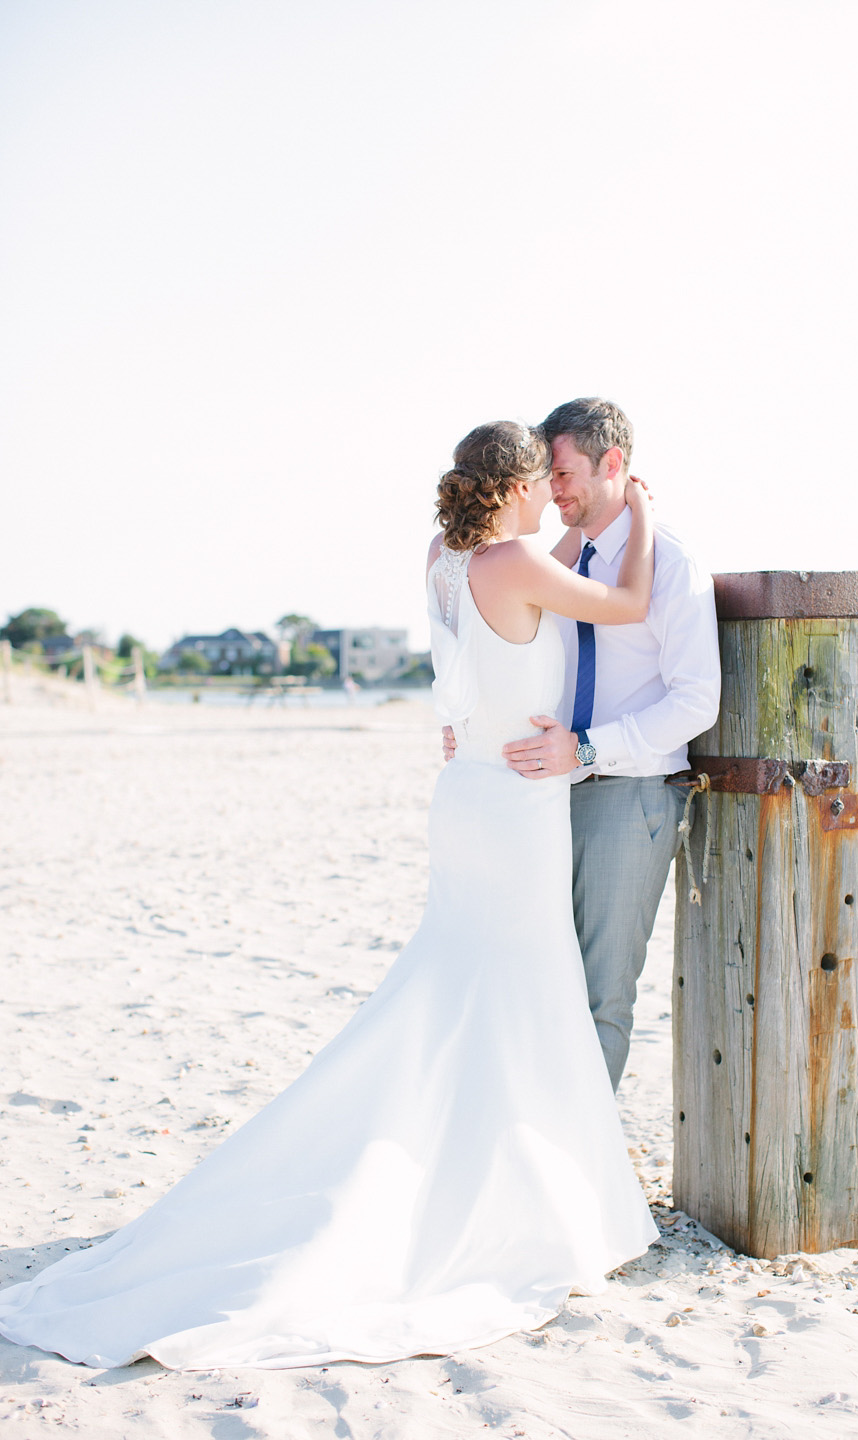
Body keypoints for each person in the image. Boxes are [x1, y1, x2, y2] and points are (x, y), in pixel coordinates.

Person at [0, 421, 661, 1372]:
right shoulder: (516, 560)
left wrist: (569, 538)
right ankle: (532, 1203)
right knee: (520, 998)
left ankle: (520, 1186)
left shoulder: (447, 559)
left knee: (467, 993)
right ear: (520, 485)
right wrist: (636, 508)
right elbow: (627, 600)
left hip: (468, 796)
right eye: (541, 483)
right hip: (517, 811)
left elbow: (519, 593)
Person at [445, 399, 721, 1091]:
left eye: (563, 473)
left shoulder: (672, 563)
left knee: (600, 995)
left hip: (627, 798)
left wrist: (591, 750)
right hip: (540, 796)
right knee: (534, 979)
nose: (553, 489)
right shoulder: (556, 561)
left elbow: (696, 700)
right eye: (546, 476)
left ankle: (577, 1176)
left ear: (614, 465)